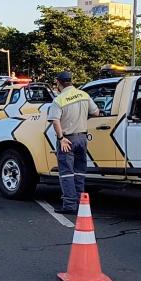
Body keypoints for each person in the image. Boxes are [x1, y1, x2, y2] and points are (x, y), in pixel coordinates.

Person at [45, 71, 97, 214]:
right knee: (80, 171)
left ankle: (69, 205)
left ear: (58, 83)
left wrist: (61, 138)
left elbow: (55, 120)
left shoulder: (59, 100)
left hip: (67, 139)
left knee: (67, 173)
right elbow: (96, 112)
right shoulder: (84, 95)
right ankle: (81, 202)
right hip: (82, 138)